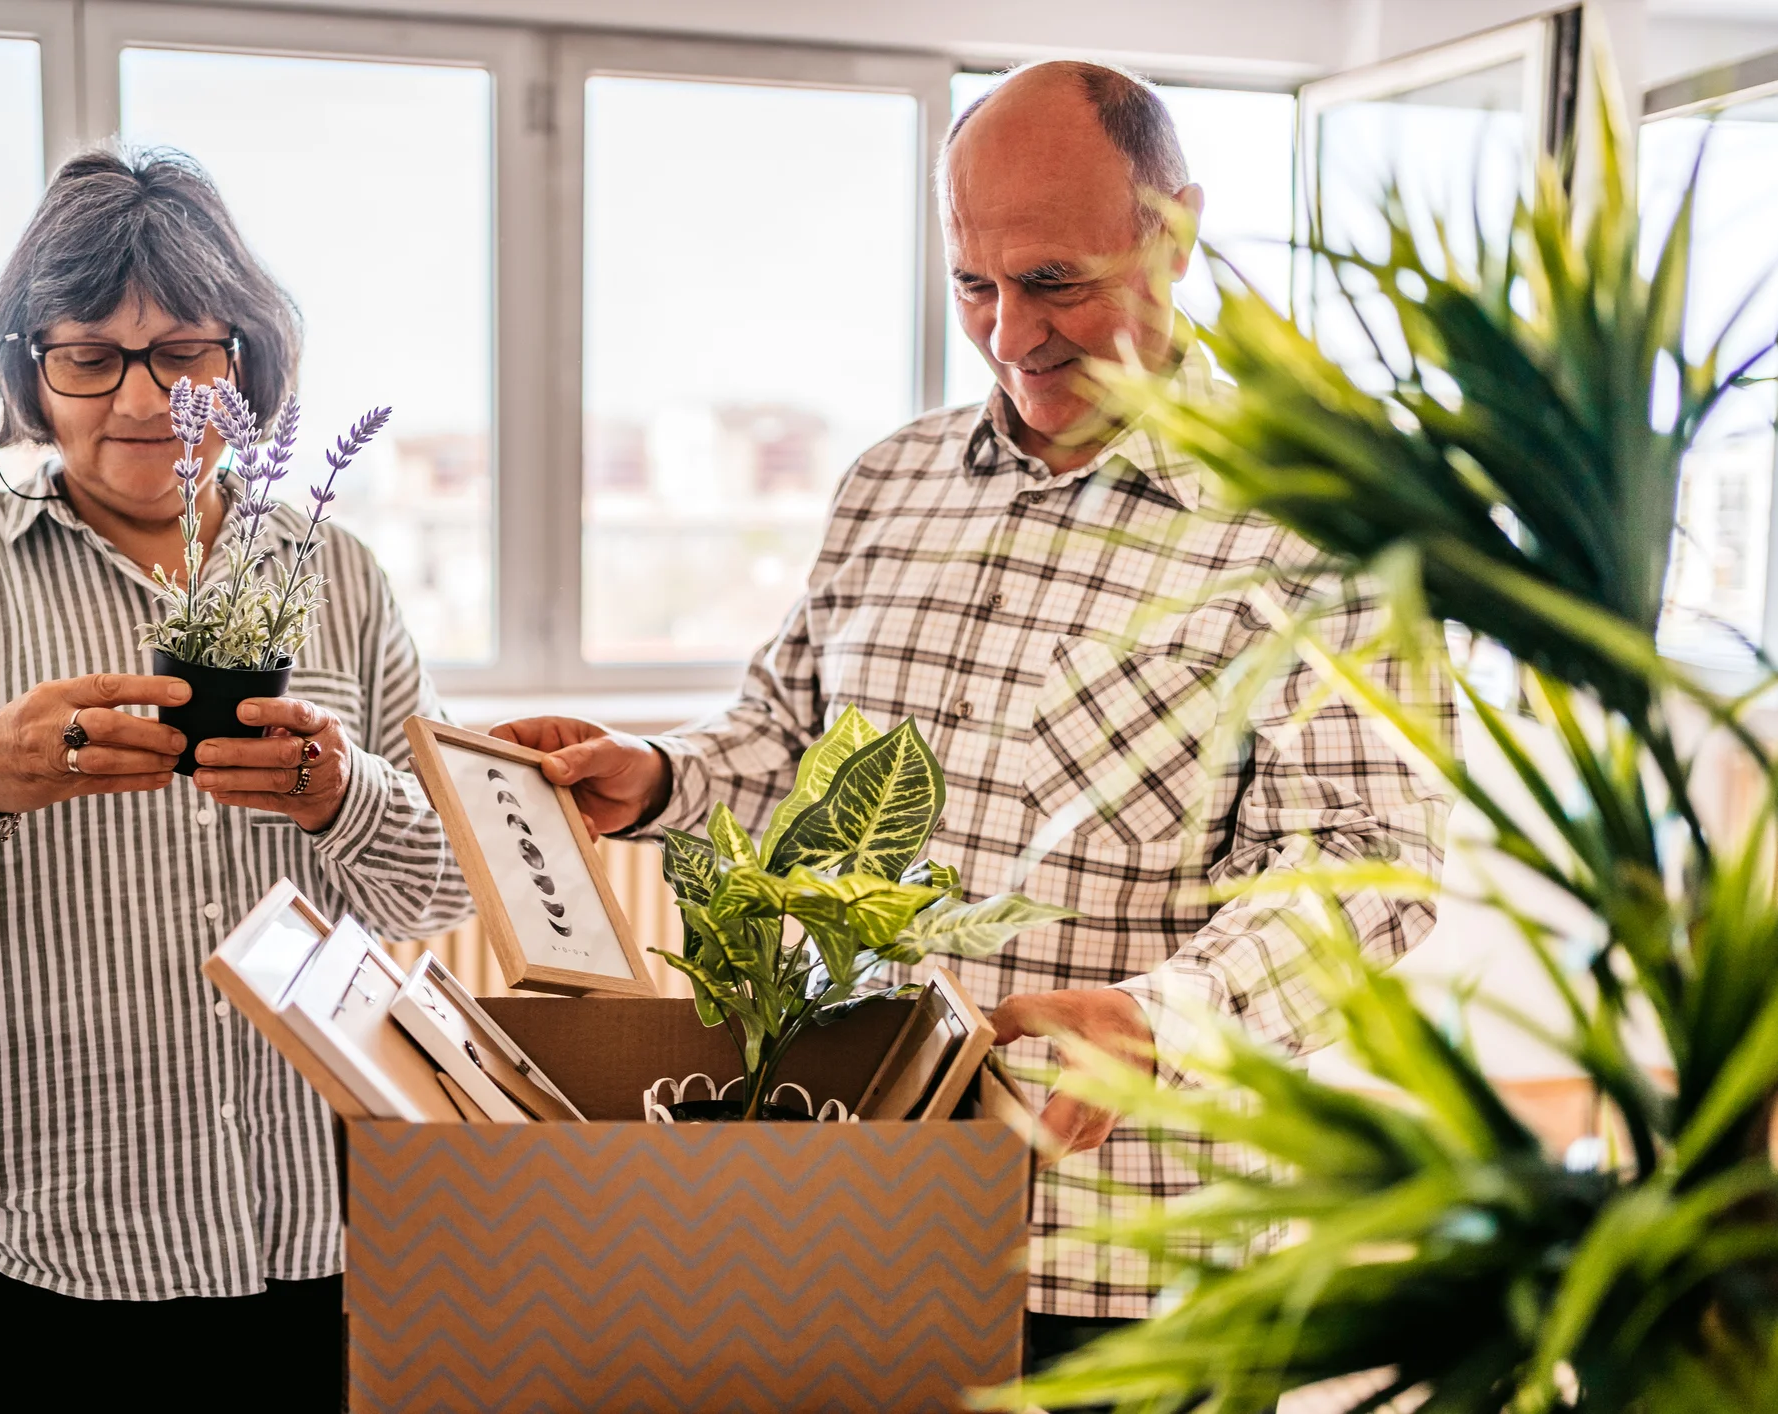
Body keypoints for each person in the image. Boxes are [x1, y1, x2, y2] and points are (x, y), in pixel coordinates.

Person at [495, 61, 1454, 1373]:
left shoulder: (1320, 523)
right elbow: (787, 740)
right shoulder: (891, 481)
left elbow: (1369, 872)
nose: (1011, 335)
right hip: (859, 1197)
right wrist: (657, 779)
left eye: (1056, 282)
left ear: (1173, 233)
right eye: (973, 286)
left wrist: (1155, 1018)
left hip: (1130, 1248)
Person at [0, 149, 469, 1411]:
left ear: (246, 363)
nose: (144, 398)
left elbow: (447, 875)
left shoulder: (342, 579)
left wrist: (343, 795)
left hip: (273, 1232)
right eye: (90, 356)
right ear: (30, 373)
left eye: (183, 352)